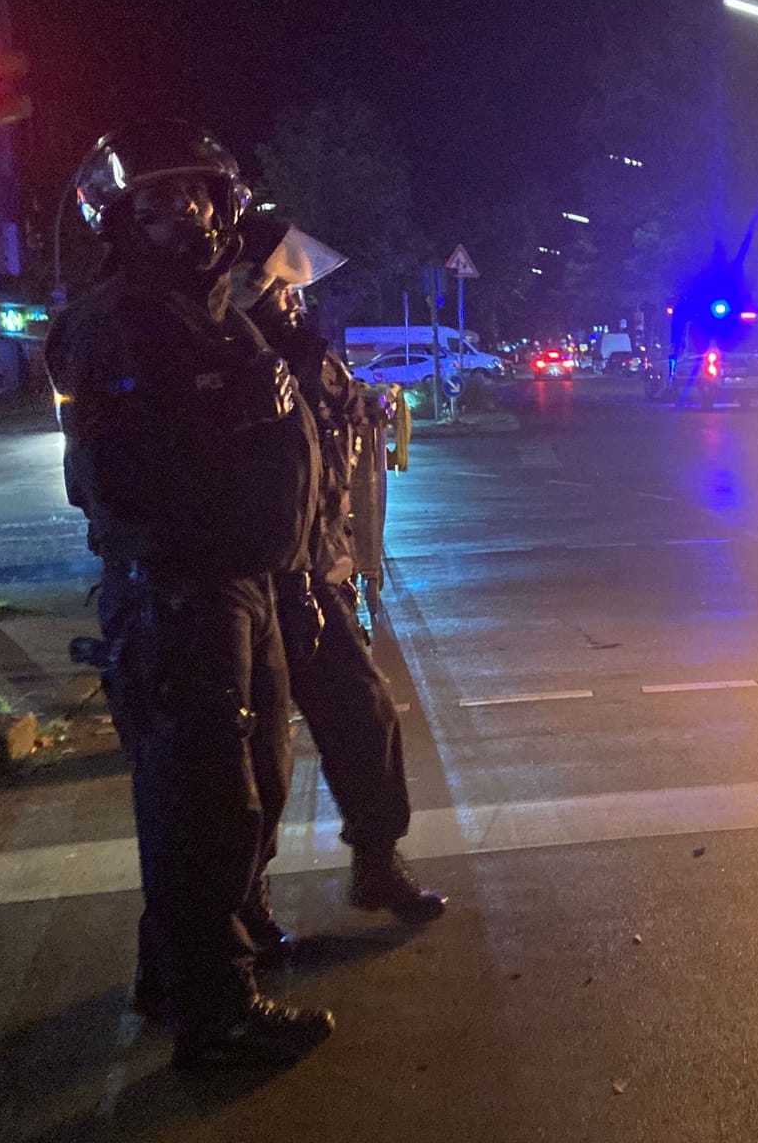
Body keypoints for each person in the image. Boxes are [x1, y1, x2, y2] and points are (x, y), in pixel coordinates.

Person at [47, 121, 334, 1072]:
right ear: (124, 217)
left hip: (246, 581)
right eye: (163, 199)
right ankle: (215, 1014)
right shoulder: (121, 320)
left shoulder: (215, 307)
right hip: (183, 593)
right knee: (205, 802)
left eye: (204, 195)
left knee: (253, 785)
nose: (191, 213)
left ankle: (181, 966)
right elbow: (120, 480)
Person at [238, 243, 448, 922]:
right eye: (283, 290)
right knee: (256, 755)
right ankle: (244, 908)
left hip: (313, 576)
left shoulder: (304, 358)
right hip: (249, 583)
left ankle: (377, 867)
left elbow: (333, 458)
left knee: (365, 716)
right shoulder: (226, 359)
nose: (296, 301)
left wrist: (366, 407)